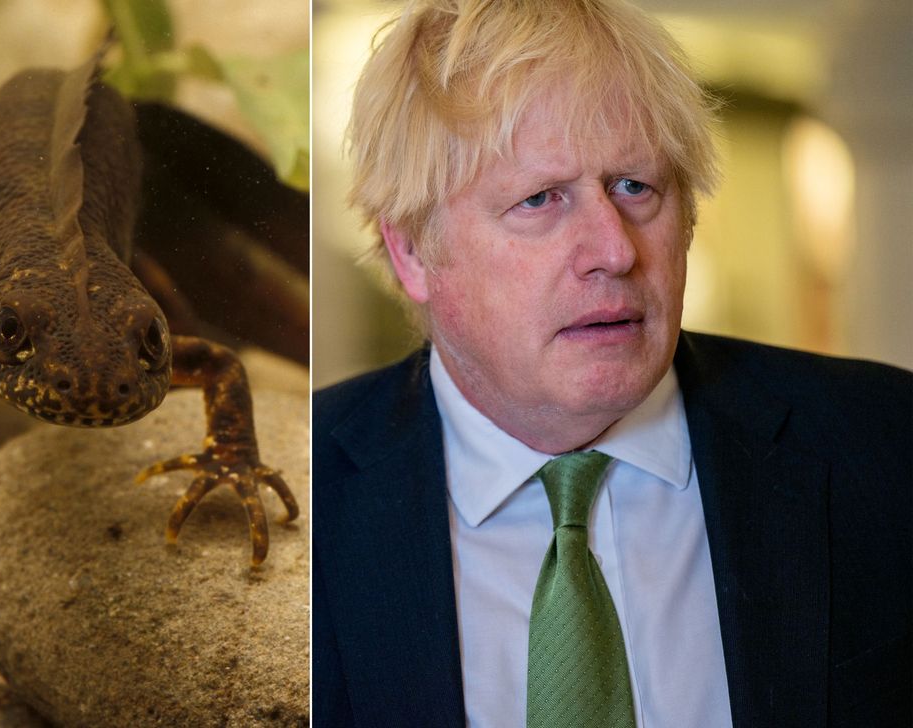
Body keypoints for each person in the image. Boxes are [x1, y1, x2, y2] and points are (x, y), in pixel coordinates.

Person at [311, 0, 912, 726]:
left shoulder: (886, 445)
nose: (616, 250)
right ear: (411, 251)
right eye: (539, 199)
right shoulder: (311, 493)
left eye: (636, 186)